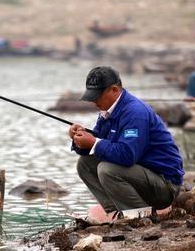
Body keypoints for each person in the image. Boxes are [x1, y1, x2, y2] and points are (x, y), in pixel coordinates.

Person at [69, 66, 184, 220]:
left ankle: (140, 216)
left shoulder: (135, 112)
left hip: (165, 185)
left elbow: (127, 155)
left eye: (97, 96)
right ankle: (115, 213)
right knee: (85, 163)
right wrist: (80, 139)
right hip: (142, 176)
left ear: (115, 90)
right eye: (92, 96)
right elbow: (100, 141)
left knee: (107, 169)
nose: (93, 101)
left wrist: (93, 142)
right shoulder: (108, 110)